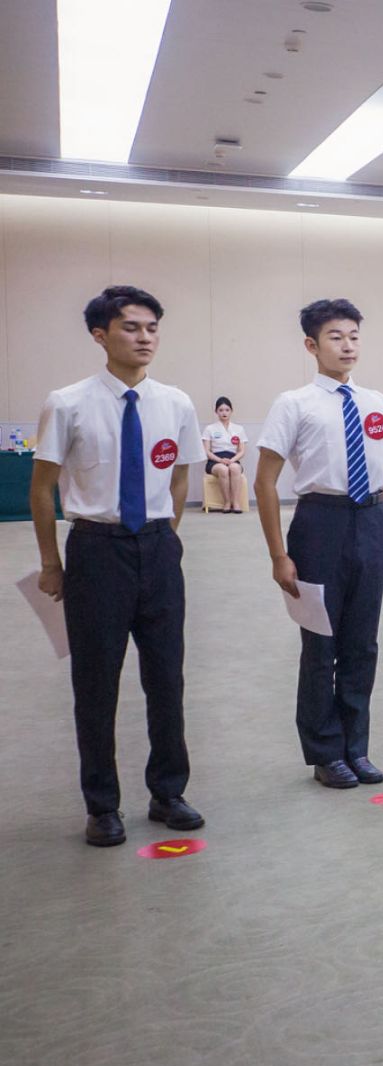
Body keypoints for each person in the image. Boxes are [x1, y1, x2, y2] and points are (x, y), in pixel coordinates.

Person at [29, 285, 205, 846]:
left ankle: (168, 792)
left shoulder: (175, 403)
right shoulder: (68, 402)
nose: (145, 337)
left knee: (166, 678)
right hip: (96, 551)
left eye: (152, 327)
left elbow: (180, 476)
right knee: (96, 682)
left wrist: (166, 537)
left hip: (157, 549)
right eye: (131, 327)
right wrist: (51, 563)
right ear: (100, 335)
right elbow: (42, 489)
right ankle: (102, 805)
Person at [254, 298, 383, 790]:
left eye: (354, 336)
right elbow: (264, 481)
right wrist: (279, 555)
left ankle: (355, 747)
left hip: (370, 522)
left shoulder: (378, 403)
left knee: (362, 644)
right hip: (319, 524)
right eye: (336, 337)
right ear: (311, 345)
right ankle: (325, 753)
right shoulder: (294, 404)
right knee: (321, 645)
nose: (347, 346)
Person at [201, 396, 248, 512]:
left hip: (233, 459)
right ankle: (227, 502)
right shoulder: (209, 428)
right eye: (221, 410)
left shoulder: (239, 429)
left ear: (231, 411)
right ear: (216, 412)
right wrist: (220, 460)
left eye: (227, 410)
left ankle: (235, 502)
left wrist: (232, 460)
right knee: (223, 469)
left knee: (235, 468)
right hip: (214, 461)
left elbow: (242, 451)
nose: (224, 413)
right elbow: (206, 451)